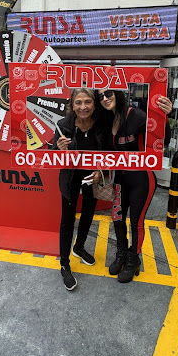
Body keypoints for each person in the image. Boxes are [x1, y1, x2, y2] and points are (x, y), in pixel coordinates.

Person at [99, 89, 172, 283]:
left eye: (108, 93)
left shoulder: (137, 115)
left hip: (142, 179)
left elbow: (163, 140)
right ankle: (121, 253)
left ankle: (133, 260)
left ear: (118, 93)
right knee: (117, 218)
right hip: (119, 179)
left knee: (136, 223)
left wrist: (165, 117)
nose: (104, 98)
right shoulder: (107, 119)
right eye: (100, 96)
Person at [52, 88, 105, 291]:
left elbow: (107, 152)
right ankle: (64, 264)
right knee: (67, 220)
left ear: (94, 104)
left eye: (87, 102)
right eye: (78, 102)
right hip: (70, 178)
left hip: (92, 177)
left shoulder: (101, 124)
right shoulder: (63, 125)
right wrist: (59, 149)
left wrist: (100, 170)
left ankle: (79, 247)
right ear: (72, 105)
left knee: (88, 213)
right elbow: (51, 156)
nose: (83, 107)